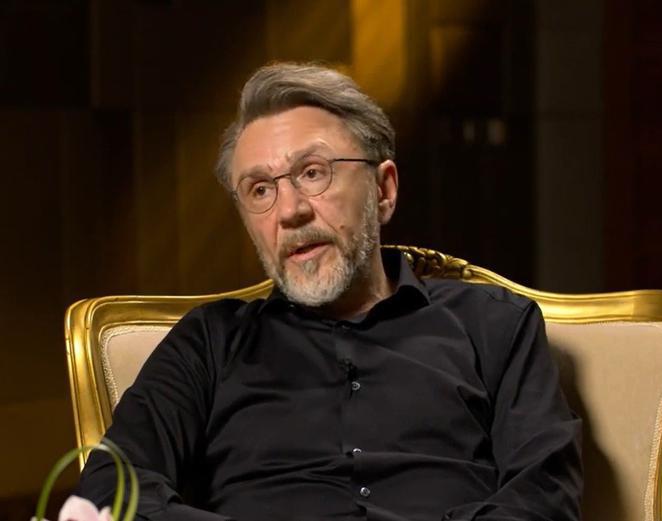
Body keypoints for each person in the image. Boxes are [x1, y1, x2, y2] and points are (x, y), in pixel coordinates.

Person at [78, 62, 583, 521]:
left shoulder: (495, 326)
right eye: (260, 189)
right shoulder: (208, 344)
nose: (289, 211)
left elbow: (544, 495)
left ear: (383, 190)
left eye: (312, 173)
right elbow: (110, 487)